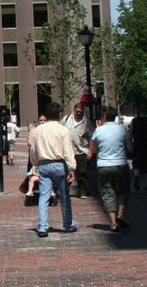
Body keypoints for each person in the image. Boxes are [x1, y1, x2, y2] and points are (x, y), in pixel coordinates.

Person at [30, 101, 77, 237]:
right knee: (65, 197)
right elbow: (68, 151)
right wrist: (71, 168)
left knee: (43, 197)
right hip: (59, 164)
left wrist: (35, 163)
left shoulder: (38, 130)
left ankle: (42, 227)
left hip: (44, 164)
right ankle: (68, 224)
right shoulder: (63, 130)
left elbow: (33, 150)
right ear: (59, 114)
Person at [90, 105, 133, 231]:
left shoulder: (98, 130)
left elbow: (93, 149)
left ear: (104, 117)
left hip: (104, 165)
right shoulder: (122, 130)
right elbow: (130, 148)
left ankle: (113, 222)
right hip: (120, 164)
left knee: (108, 192)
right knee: (123, 190)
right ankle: (120, 215)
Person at [61, 103, 91, 198]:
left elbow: (92, 137)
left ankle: (83, 191)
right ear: (74, 111)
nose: (78, 113)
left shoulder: (87, 122)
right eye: (77, 112)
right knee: (67, 172)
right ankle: (64, 190)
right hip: (68, 151)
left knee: (82, 172)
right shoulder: (66, 119)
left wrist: (90, 150)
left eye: (80, 112)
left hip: (82, 151)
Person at [129, 105, 147, 191]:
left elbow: (130, 132)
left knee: (136, 163)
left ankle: (136, 176)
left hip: (137, 144)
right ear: (146, 112)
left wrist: (131, 142)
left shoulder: (134, 121)